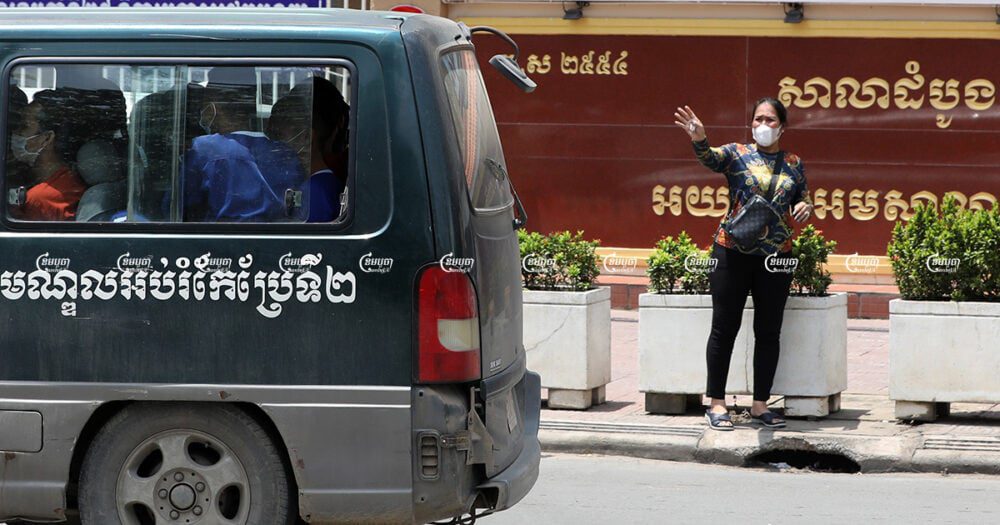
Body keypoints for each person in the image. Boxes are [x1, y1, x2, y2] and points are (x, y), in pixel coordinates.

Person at [674, 98, 813, 431]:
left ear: (782, 125)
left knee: (768, 331)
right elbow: (710, 158)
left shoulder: (793, 163)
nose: (763, 125)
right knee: (724, 327)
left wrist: (806, 207)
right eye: (758, 119)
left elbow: (804, 196)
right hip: (731, 252)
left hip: (776, 257)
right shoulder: (737, 154)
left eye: (770, 119)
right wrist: (699, 137)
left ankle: (760, 404)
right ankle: (717, 402)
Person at [182, 67, 306, 222]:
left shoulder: (205, 150)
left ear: (213, 106)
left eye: (204, 105)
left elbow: (177, 206)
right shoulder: (286, 154)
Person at [267, 76, 349, 222]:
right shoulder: (318, 186)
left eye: (278, 135)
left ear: (306, 137)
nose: (274, 144)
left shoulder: (314, 194)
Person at [8, 88, 88, 221]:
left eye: (23, 127)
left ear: (46, 139)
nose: (15, 133)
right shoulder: (68, 177)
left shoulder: (40, 199)